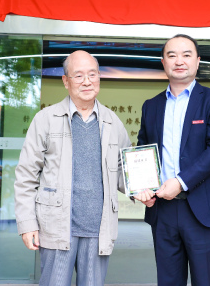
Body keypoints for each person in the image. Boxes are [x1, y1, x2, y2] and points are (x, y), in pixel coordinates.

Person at [14, 50, 131, 286]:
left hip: (98, 229)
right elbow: (26, 176)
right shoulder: (45, 119)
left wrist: (141, 190)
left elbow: (123, 170)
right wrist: (27, 224)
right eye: (78, 75)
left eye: (92, 74)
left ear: (99, 77)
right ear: (66, 81)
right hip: (56, 227)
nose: (87, 81)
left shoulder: (112, 122)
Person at [134, 34, 210, 286]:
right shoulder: (151, 106)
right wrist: (141, 187)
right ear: (163, 62)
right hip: (163, 210)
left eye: (186, 55)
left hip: (203, 209)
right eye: (172, 55)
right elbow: (143, 150)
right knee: (168, 281)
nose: (179, 61)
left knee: (206, 280)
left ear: (197, 61)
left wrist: (180, 182)